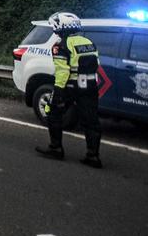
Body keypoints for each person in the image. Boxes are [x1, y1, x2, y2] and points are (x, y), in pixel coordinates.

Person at [36, 12, 104, 168]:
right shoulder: (88, 42)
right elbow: (96, 64)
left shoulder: (62, 45)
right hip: (90, 85)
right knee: (91, 120)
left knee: (52, 112)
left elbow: (62, 71)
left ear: (61, 27)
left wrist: (58, 91)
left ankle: (55, 148)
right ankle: (93, 156)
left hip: (70, 85)